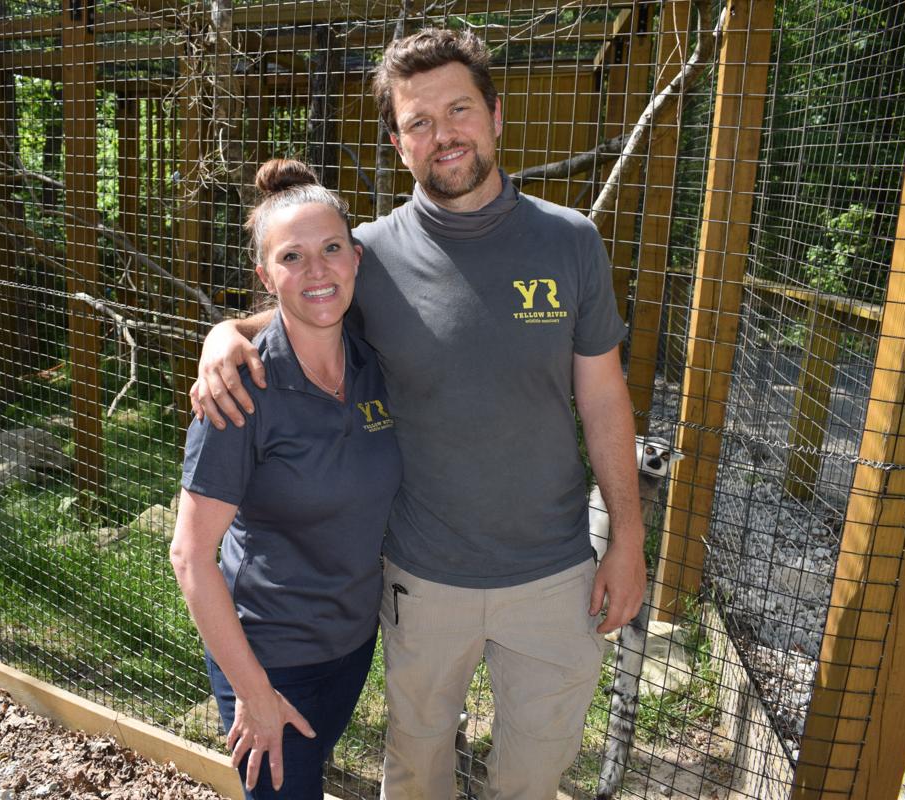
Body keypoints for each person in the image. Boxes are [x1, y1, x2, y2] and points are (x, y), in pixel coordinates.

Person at [191, 29, 646, 800]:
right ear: (398, 143)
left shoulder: (570, 242)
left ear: (496, 115)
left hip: (554, 572)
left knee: (533, 776)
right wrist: (224, 335)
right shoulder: (368, 256)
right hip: (420, 578)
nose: (445, 134)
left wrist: (628, 535)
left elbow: (604, 396)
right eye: (419, 121)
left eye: (459, 109)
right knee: (416, 772)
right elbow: (303, 302)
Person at [169, 159, 402, 799]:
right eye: (292, 257)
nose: (317, 271)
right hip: (267, 654)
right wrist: (255, 692)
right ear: (265, 276)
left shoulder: (377, 359)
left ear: (356, 257)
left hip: (352, 643)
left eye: (330, 249)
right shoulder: (239, 392)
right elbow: (190, 555)